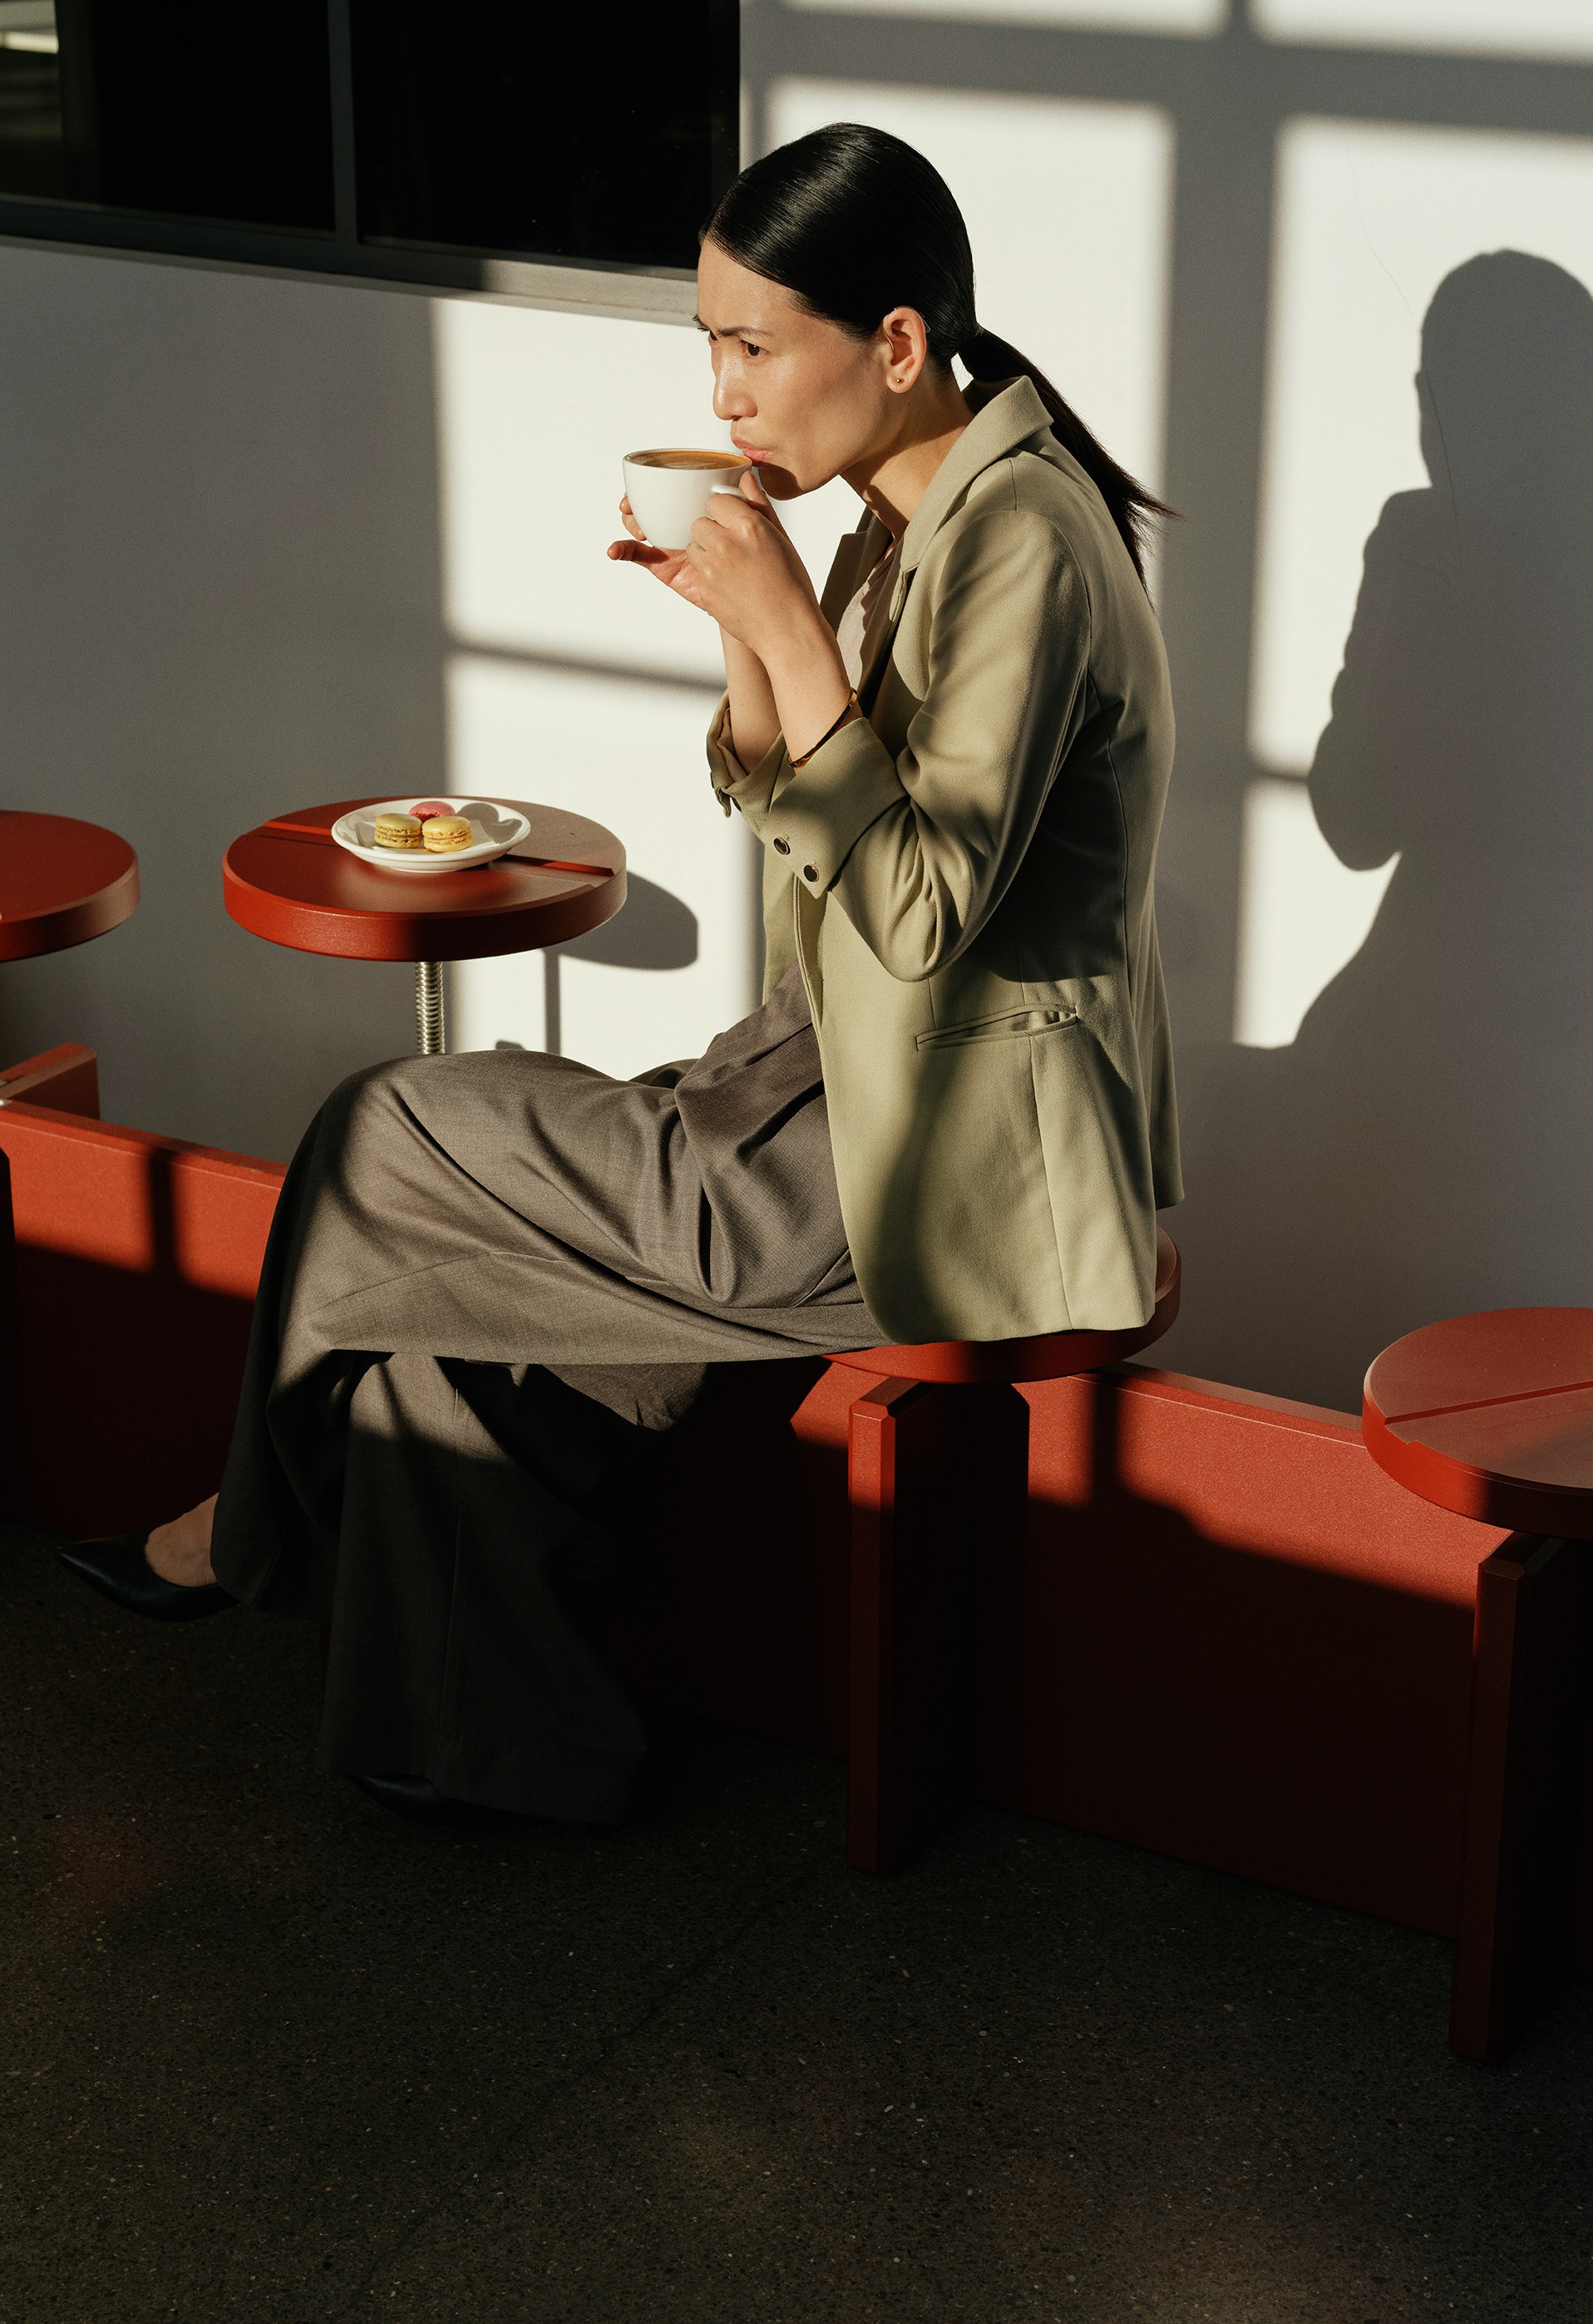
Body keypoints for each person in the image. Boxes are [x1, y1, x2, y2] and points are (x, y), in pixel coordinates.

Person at [58, 122, 1182, 1827]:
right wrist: (743, 623)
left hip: (930, 1171)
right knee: (439, 1356)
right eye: (705, 347)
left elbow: (923, 911)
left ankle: (243, 1531)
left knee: (386, 1129)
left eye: (754, 347)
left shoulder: (1015, 534)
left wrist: (793, 629)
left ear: (892, 345)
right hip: (815, 1087)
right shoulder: (895, 506)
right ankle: (499, 1756)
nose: (725, 394)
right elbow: (780, 800)